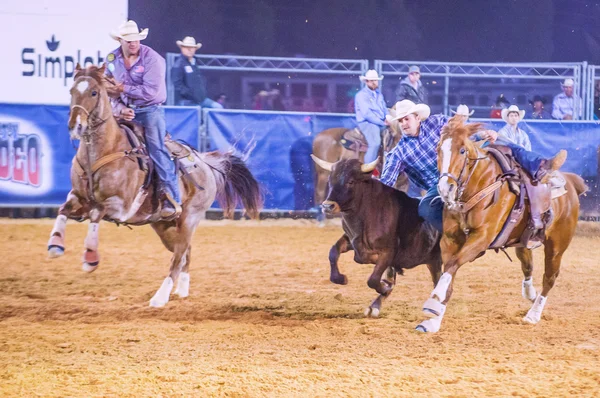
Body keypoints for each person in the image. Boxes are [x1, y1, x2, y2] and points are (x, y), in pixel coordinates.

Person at [381, 100, 567, 232]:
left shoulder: (436, 122)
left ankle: (540, 165)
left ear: (417, 118)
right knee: (425, 208)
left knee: (498, 139)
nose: (404, 123)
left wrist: (482, 135)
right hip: (441, 185)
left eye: (407, 119)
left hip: (465, 169)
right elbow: (385, 183)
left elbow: (461, 132)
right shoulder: (399, 152)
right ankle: (453, 233)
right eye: (401, 120)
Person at [104, 20, 181, 219]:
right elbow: (106, 88)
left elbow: (150, 92)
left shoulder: (152, 59)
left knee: (156, 148)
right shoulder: (112, 59)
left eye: (136, 39)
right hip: (125, 110)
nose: (133, 43)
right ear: (120, 40)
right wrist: (121, 109)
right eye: (128, 40)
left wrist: (123, 89)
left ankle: (172, 196)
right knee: (104, 141)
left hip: (150, 110)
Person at [171, 36, 223, 109]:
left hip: (201, 99)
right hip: (187, 101)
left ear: (195, 49)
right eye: (186, 47)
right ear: (182, 48)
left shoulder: (194, 62)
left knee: (218, 107)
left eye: (192, 47)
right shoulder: (178, 65)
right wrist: (190, 94)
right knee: (202, 112)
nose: (189, 49)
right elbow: (177, 85)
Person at [355, 69, 387, 164]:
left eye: (375, 80)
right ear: (367, 81)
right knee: (375, 143)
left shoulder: (379, 95)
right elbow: (367, 114)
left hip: (380, 122)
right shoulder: (361, 95)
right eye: (371, 80)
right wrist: (382, 122)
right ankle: (368, 168)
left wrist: (388, 117)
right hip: (367, 123)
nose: (374, 82)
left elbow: (384, 108)